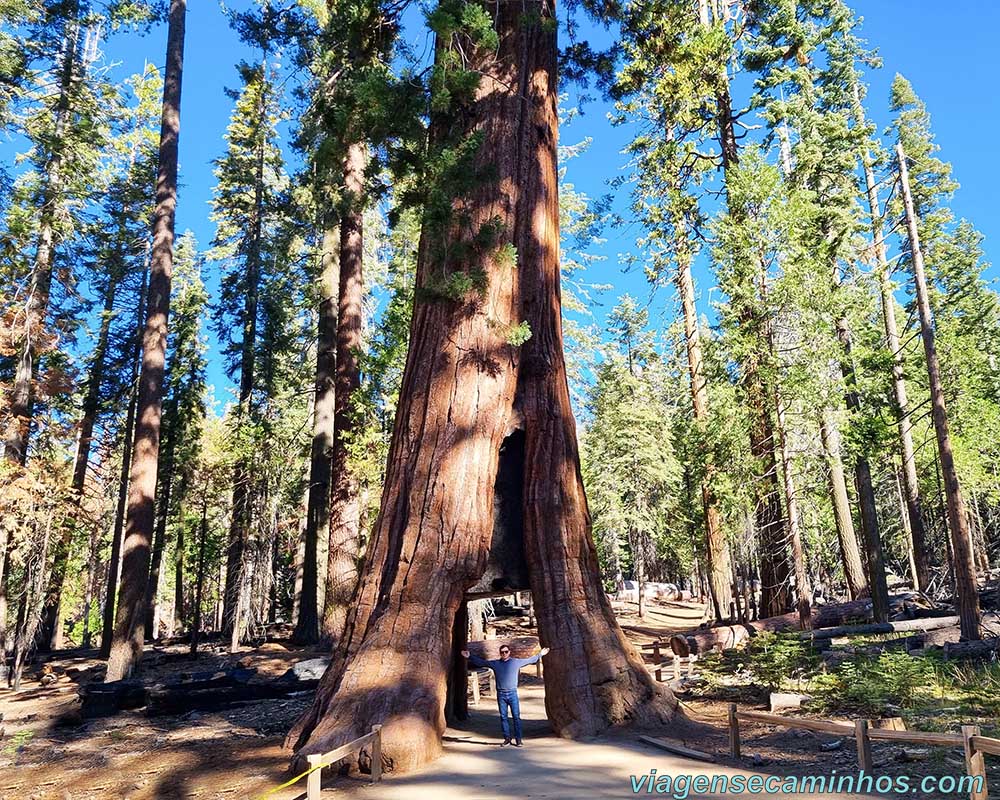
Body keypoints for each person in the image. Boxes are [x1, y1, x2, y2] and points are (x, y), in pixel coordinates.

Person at [460, 644, 549, 747]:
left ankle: (518, 739)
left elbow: (530, 660)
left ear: (509, 652)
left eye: (506, 652)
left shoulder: (515, 662)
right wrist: (469, 656)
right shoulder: (496, 664)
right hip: (501, 694)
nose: (504, 654)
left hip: (512, 693)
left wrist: (541, 654)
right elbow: (483, 662)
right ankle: (507, 738)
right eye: (502, 652)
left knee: (516, 717)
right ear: (500, 653)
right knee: (503, 717)